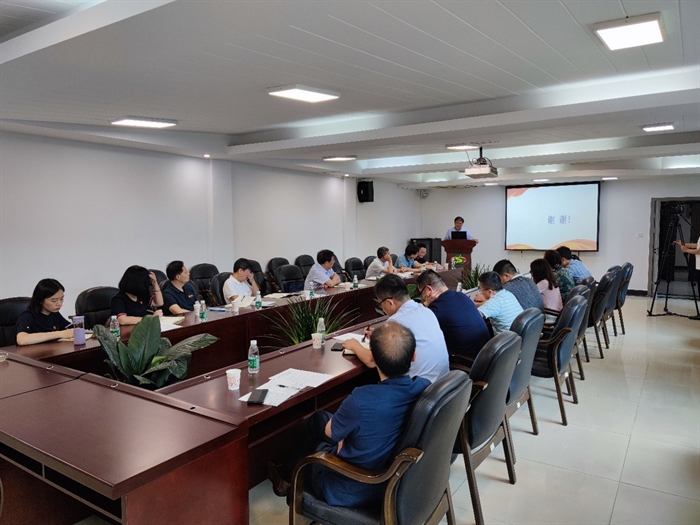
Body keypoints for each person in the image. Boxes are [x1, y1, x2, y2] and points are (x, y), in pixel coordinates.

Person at [268, 323, 430, 506]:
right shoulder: (424, 387)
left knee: (317, 430)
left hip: (348, 486)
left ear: (372, 357)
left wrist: (341, 436)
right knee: (320, 419)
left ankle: (286, 477)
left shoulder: (360, 400)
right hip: (394, 477)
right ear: (414, 355)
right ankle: (286, 475)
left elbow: (330, 433)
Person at [342, 274, 449, 383]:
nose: (382, 309)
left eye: (381, 304)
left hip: (419, 389)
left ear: (390, 303)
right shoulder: (426, 311)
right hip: (444, 385)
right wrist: (384, 337)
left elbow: (371, 361)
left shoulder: (395, 321)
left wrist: (355, 345)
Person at [415, 270, 490, 361]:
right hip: (485, 355)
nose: (423, 297)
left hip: (467, 362)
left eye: (421, 293)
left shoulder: (436, 309)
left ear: (429, 289)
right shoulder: (462, 296)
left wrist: (425, 304)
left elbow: (415, 326)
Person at [15, 279, 73, 345]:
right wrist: (60, 334)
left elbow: (69, 328)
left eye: (61, 299)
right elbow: (21, 340)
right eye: (54, 300)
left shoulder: (54, 314)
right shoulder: (28, 316)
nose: (59, 303)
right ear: (41, 300)